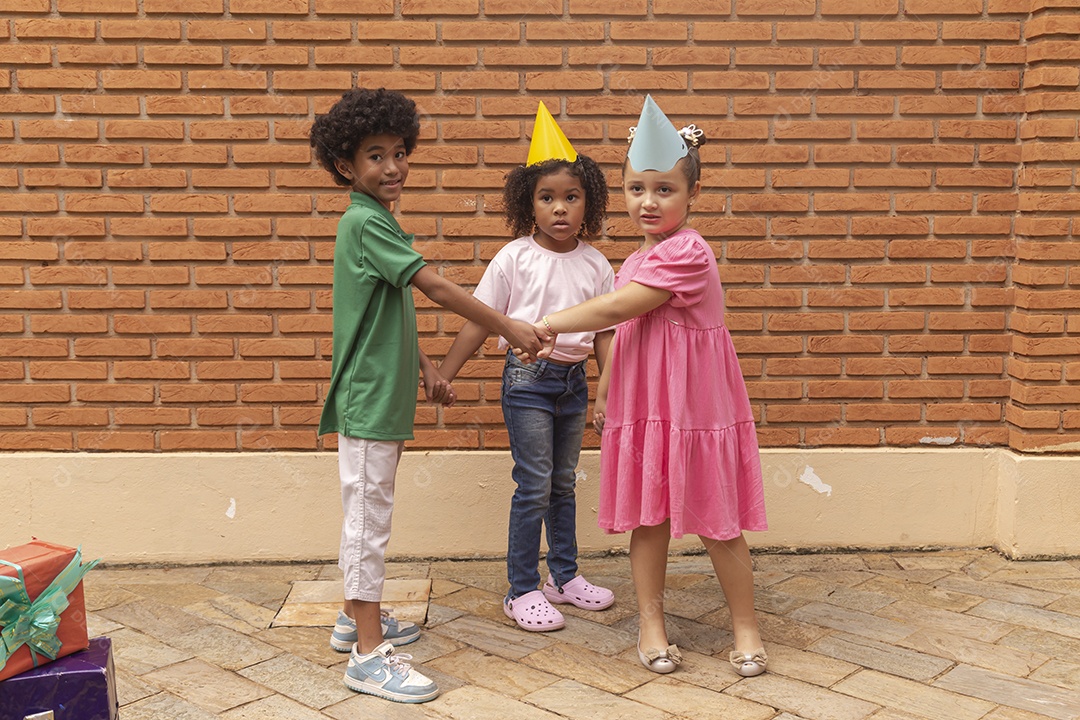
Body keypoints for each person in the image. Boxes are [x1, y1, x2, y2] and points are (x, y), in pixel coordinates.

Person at [309, 87, 548, 703]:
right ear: (345, 166)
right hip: (367, 399)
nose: (392, 167)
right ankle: (366, 654)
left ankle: (351, 618)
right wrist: (509, 326)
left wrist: (425, 367)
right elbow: (436, 289)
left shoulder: (377, 219)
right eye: (373, 156)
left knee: (370, 515)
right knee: (368, 523)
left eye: (398, 152)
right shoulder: (365, 221)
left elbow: (383, 306)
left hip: (383, 392)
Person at [530, 95, 769, 676]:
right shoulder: (635, 257)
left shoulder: (688, 250)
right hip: (647, 404)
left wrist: (544, 324)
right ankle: (652, 624)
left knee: (718, 518)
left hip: (695, 404)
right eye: (637, 189)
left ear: (690, 195)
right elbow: (623, 326)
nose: (649, 201)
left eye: (664, 189)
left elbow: (619, 306)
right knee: (650, 516)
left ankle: (746, 626)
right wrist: (609, 385)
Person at [440, 104, 616, 632]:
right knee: (534, 483)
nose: (559, 208)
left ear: (589, 203)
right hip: (527, 383)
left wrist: (607, 389)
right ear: (528, 204)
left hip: (574, 382)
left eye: (571, 197)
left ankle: (562, 577)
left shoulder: (597, 264)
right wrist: (447, 370)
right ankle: (520, 589)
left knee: (563, 482)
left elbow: (607, 331)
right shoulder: (513, 258)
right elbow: (479, 320)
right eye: (547, 198)